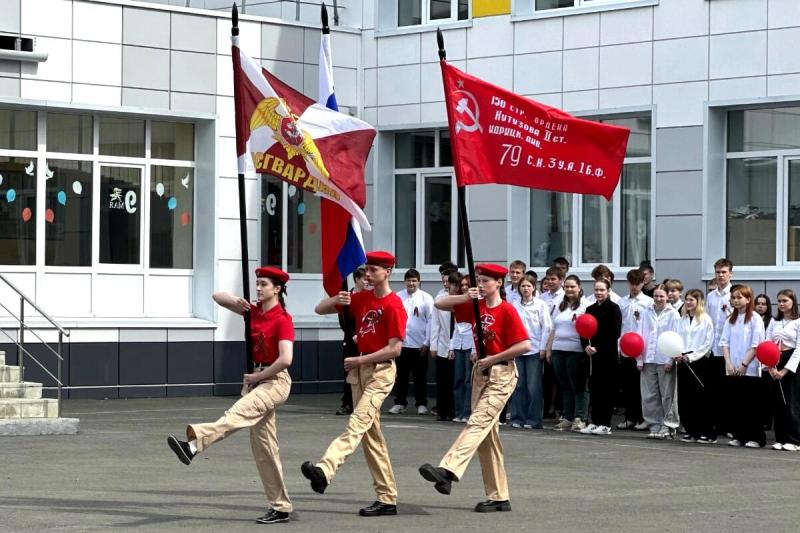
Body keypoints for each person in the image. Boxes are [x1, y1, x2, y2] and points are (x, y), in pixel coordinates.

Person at [167, 267, 295, 525]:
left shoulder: (283, 319)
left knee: (236, 414)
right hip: (256, 381)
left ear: (277, 289)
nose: (258, 289)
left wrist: (258, 377)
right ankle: (280, 507)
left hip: (274, 382)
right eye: (256, 284)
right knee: (265, 450)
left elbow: (286, 359)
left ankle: (193, 445)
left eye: (263, 285)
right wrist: (237, 301)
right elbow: (217, 296)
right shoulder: (253, 311)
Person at [418, 263, 531, 513]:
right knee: (487, 438)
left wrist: (492, 358)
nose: (481, 285)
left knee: (478, 422)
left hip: (501, 372)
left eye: (486, 281)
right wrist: (464, 296)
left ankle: (448, 470)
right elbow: (440, 305)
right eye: (479, 280)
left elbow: (524, 344)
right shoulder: (474, 306)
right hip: (481, 373)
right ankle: (499, 496)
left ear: (499, 283)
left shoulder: (507, 310)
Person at [302, 251, 406, 517]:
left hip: (380, 372)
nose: (367, 275)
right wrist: (337, 299)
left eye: (373, 270)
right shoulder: (360, 298)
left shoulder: (394, 305)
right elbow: (319, 309)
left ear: (388, 272)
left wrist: (361, 360)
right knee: (372, 437)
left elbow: (395, 350)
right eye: (366, 270)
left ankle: (325, 469)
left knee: (357, 422)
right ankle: (387, 498)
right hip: (360, 372)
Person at [720, 284, 766, 448]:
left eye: (739, 297)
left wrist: (744, 364)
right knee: (736, 403)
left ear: (748, 299)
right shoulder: (730, 320)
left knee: (751, 404)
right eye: (733, 297)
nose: (736, 300)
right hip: (733, 367)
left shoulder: (755, 318)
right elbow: (724, 343)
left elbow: (756, 345)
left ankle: (756, 437)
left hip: (750, 368)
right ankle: (739, 435)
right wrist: (729, 363)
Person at [544, 274, 590, 432]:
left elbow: (589, 329)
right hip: (558, 350)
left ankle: (580, 417)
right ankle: (567, 417)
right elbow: (554, 328)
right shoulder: (560, 305)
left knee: (578, 386)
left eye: (572, 287)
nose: (569, 290)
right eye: (567, 287)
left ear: (579, 287)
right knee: (564, 386)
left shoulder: (585, 305)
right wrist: (549, 348)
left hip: (576, 351)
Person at [580, 278, 622, 436]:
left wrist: (599, 347)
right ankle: (594, 421)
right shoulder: (590, 309)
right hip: (592, 356)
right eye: (596, 290)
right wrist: (586, 346)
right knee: (594, 389)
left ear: (608, 291)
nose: (598, 293)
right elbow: (583, 329)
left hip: (607, 355)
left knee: (606, 390)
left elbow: (615, 332)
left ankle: (605, 423)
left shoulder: (613, 308)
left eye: (602, 290)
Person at [638, 284, 680, 439]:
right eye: (656, 295)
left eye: (661, 296)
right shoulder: (645, 312)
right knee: (650, 394)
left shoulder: (673, 314)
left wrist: (671, 359)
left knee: (667, 394)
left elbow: (675, 337)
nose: (658, 299)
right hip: (649, 358)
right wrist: (639, 358)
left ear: (667, 297)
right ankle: (654, 424)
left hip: (665, 359)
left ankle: (668, 425)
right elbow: (640, 335)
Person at [389, 269, 434, 415]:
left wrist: (427, 342)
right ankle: (400, 403)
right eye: (409, 280)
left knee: (420, 376)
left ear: (419, 282)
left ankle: (421, 404)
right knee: (400, 376)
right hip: (401, 344)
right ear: (404, 281)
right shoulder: (397, 297)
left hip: (419, 345)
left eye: (414, 280)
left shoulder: (426, 298)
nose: (411, 283)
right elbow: (392, 320)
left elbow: (431, 321)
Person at [511, 274, 552, 429]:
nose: (525, 289)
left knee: (533, 387)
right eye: (523, 286)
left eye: (528, 286)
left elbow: (546, 327)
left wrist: (542, 348)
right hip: (517, 349)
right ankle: (517, 418)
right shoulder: (514, 305)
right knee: (518, 385)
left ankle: (533, 420)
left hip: (534, 350)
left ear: (534, 287)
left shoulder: (540, 305)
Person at [675, 289, 715, 443]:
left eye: (692, 299)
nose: (688, 302)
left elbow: (707, 343)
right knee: (685, 397)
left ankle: (706, 431)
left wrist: (690, 356)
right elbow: (677, 337)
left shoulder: (705, 319)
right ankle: (691, 430)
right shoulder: (682, 319)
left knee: (701, 398)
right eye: (687, 299)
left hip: (699, 362)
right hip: (682, 360)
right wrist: (678, 354)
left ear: (699, 302)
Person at [616, 268, 653, 431]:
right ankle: (630, 417)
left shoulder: (648, 302)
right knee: (627, 384)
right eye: (631, 283)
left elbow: (650, 326)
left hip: (641, 347)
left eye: (637, 284)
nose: (634, 287)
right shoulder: (622, 302)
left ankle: (643, 417)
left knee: (642, 385)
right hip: (625, 346)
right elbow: (620, 325)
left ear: (642, 283)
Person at [764, 290, 800, 451]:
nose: (781, 304)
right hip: (775, 360)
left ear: (793, 301)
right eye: (779, 301)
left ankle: (794, 439)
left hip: (792, 362)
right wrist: (771, 367)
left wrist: (785, 370)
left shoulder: (798, 322)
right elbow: (767, 343)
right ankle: (780, 437)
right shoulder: (774, 322)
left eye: (785, 300)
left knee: (791, 402)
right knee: (778, 401)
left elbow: (799, 349)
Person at [706, 258, 734, 440]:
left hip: (729, 350)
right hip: (713, 348)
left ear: (730, 273)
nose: (720, 275)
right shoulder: (710, 296)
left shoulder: (735, 294)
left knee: (729, 390)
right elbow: (708, 322)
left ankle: (730, 424)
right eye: (718, 272)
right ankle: (716, 424)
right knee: (714, 389)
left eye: (724, 272)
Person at [337, 266, 368, 416]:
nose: (367, 282)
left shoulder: (370, 296)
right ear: (357, 279)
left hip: (366, 341)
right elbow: (343, 319)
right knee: (349, 373)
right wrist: (352, 335)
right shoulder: (347, 297)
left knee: (366, 373)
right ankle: (347, 403)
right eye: (364, 279)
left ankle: (363, 403)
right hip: (350, 341)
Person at [430, 271, 459, 422]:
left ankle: (454, 410)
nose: (453, 287)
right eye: (451, 284)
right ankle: (442, 410)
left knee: (455, 380)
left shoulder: (462, 300)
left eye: (456, 284)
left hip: (458, 347)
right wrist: (433, 345)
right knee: (443, 380)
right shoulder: (441, 300)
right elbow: (435, 324)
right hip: (443, 344)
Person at [451, 274, 476, 423]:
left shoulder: (476, 302)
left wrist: (474, 349)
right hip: (459, 343)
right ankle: (459, 411)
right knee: (458, 379)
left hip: (470, 343)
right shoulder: (459, 301)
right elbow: (455, 325)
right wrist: (451, 347)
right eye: (463, 285)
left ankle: (467, 412)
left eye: (467, 284)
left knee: (468, 380)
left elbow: (475, 327)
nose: (464, 287)